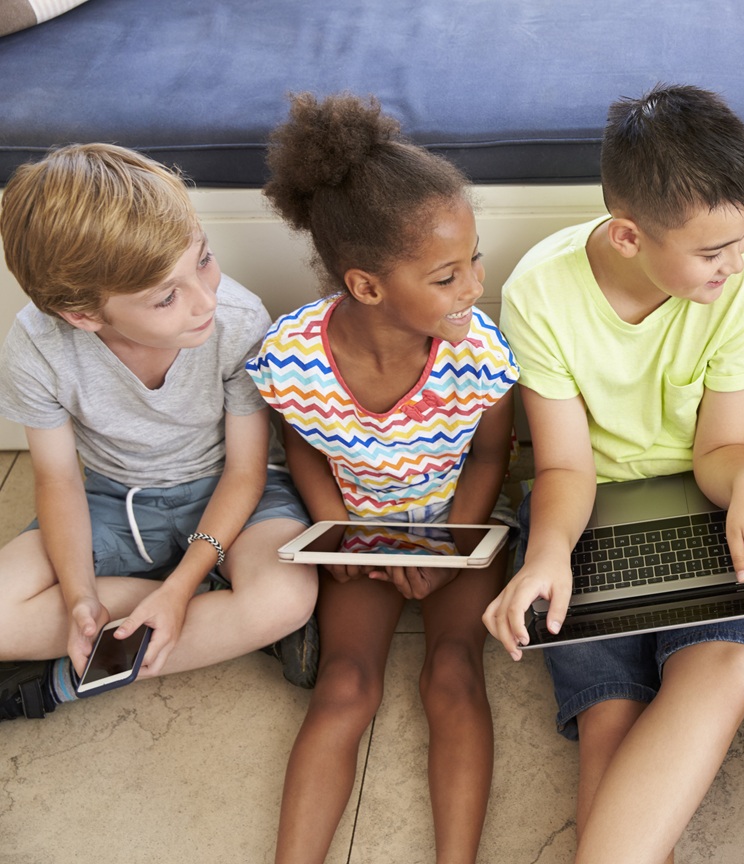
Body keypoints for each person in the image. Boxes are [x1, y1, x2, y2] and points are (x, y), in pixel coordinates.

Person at [482, 84, 744, 864]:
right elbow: (564, 464)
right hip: (587, 510)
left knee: (726, 663)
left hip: (708, 500)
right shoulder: (539, 290)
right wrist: (547, 554)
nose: (735, 265)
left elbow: (723, 448)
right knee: (610, 712)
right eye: (710, 252)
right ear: (629, 236)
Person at [247, 93, 518, 864]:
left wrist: (437, 547)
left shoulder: (481, 355)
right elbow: (303, 451)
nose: (473, 286)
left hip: (454, 527)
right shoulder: (291, 357)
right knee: (345, 685)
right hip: (354, 533)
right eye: (446, 275)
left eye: (474, 260)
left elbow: (494, 460)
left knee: (455, 676)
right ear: (366, 286)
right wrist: (351, 540)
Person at [0, 143, 318, 723]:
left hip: (233, 494)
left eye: (203, 259)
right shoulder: (36, 347)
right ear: (83, 315)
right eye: (167, 297)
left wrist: (178, 588)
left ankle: (58, 685)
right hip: (111, 499)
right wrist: (79, 600)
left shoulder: (238, 321)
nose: (206, 300)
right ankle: (219, 615)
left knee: (286, 596)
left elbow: (246, 471)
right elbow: (58, 479)